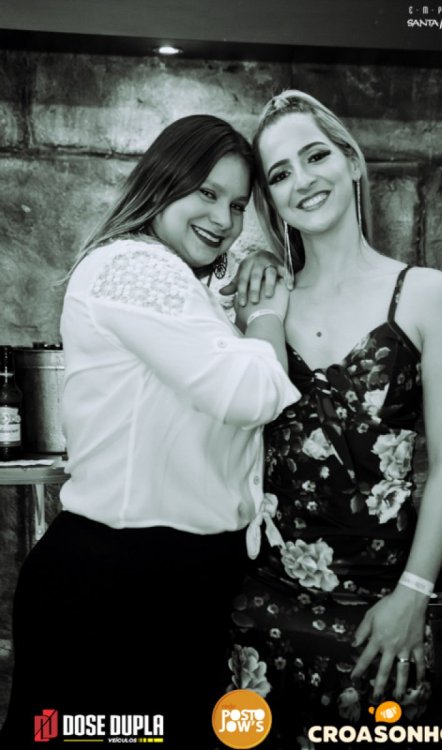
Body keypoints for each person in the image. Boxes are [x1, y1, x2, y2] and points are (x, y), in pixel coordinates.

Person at [0, 114, 300, 750]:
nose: (224, 219)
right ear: (163, 182)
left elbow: (222, 306)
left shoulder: (178, 282)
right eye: (207, 193)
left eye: (238, 205)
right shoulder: (133, 267)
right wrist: (268, 317)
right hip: (116, 592)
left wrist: (262, 259)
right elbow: (248, 391)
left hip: (169, 587)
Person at [225, 90, 442, 748]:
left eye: (316, 157)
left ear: (352, 161)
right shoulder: (264, 299)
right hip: (264, 610)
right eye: (281, 173)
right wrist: (256, 278)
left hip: (386, 612)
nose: (303, 180)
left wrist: (414, 594)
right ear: (270, 198)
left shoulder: (425, 293)